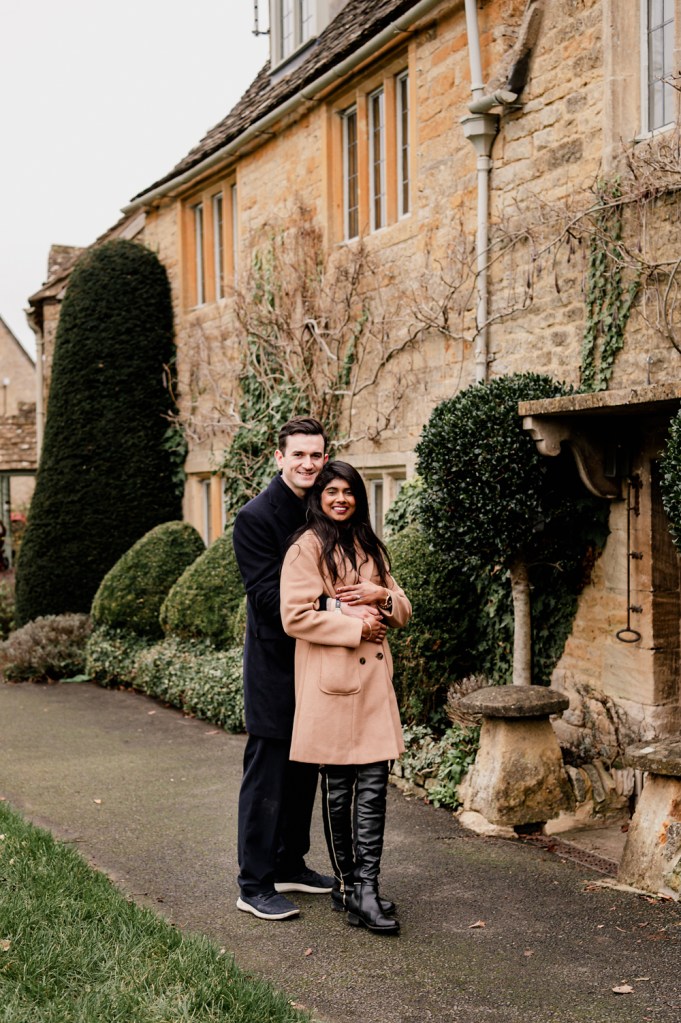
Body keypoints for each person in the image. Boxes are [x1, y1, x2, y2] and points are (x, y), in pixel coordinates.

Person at [232, 418, 378, 921]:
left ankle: (290, 863)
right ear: (279, 457)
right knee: (268, 771)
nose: (309, 464)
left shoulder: (323, 512)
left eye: (316, 455)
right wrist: (345, 611)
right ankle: (253, 883)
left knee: (305, 770)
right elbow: (271, 600)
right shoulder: (255, 517)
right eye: (299, 455)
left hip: (318, 663)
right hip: (276, 664)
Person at [280, 461, 411, 936]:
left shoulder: (370, 545)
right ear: (319, 496)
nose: (341, 498)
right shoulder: (306, 547)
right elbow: (294, 617)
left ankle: (365, 888)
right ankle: (349, 885)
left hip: (374, 686)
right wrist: (356, 626)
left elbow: (401, 608)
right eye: (331, 490)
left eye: (348, 491)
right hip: (331, 685)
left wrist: (383, 594)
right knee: (338, 788)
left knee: (374, 785)